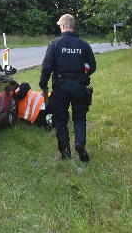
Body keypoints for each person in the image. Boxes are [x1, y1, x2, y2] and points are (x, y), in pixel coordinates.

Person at [39, 14, 96, 162]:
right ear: (73, 26)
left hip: (60, 87)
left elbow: (47, 67)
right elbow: (92, 66)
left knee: (61, 119)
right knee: (79, 117)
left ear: (64, 26)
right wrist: (83, 74)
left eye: (60, 26)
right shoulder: (84, 45)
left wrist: (43, 83)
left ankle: (65, 151)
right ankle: (80, 144)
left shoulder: (55, 44)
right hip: (79, 86)